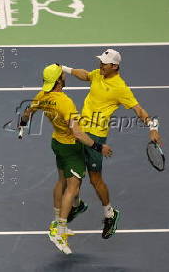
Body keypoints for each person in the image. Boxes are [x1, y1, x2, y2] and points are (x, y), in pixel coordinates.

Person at [61, 49, 162, 239]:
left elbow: (138, 110)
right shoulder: (99, 74)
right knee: (73, 175)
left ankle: (110, 213)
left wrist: (153, 127)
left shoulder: (120, 88)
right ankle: (77, 205)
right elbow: (85, 75)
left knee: (95, 179)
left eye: (105, 63)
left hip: (96, 136)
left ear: (114, 66)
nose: (101, 65)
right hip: (81, 131)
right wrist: (65, 69)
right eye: (101, 61)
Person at [19, 64, 112, 254]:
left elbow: (28, 111)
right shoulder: (65, 102)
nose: (64, 76)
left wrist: (22, 124)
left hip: (57, 144)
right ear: (59, 81)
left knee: (61, 181)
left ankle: (57, 222)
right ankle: (59, 231)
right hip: (71, 148)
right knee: (73, 187)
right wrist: (98, 146)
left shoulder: (42, 96)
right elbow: (77, 133)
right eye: (62, 75)